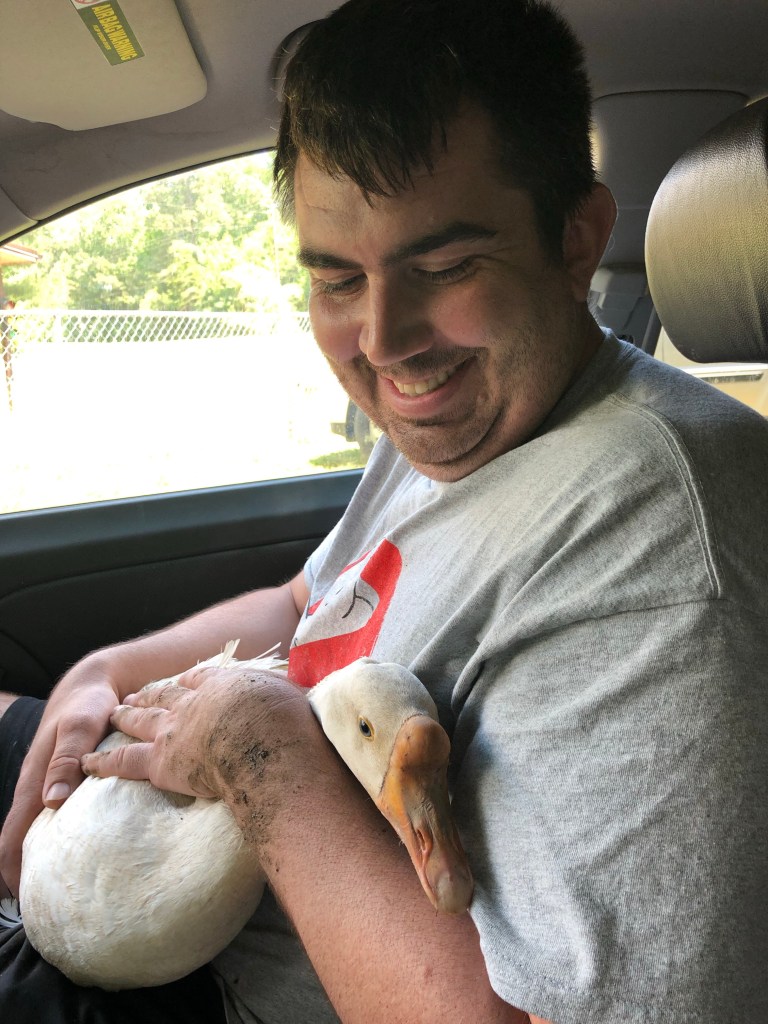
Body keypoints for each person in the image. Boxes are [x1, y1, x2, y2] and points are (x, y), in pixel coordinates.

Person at [1, 0, 767, 1021]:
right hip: (171, 843)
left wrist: (257, 750)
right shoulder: (467, 418)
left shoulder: (661, 542)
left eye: (443, 268)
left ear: (576, 238)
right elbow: (305, 603)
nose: (383, 341)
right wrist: (103, 673)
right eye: (335, 279)